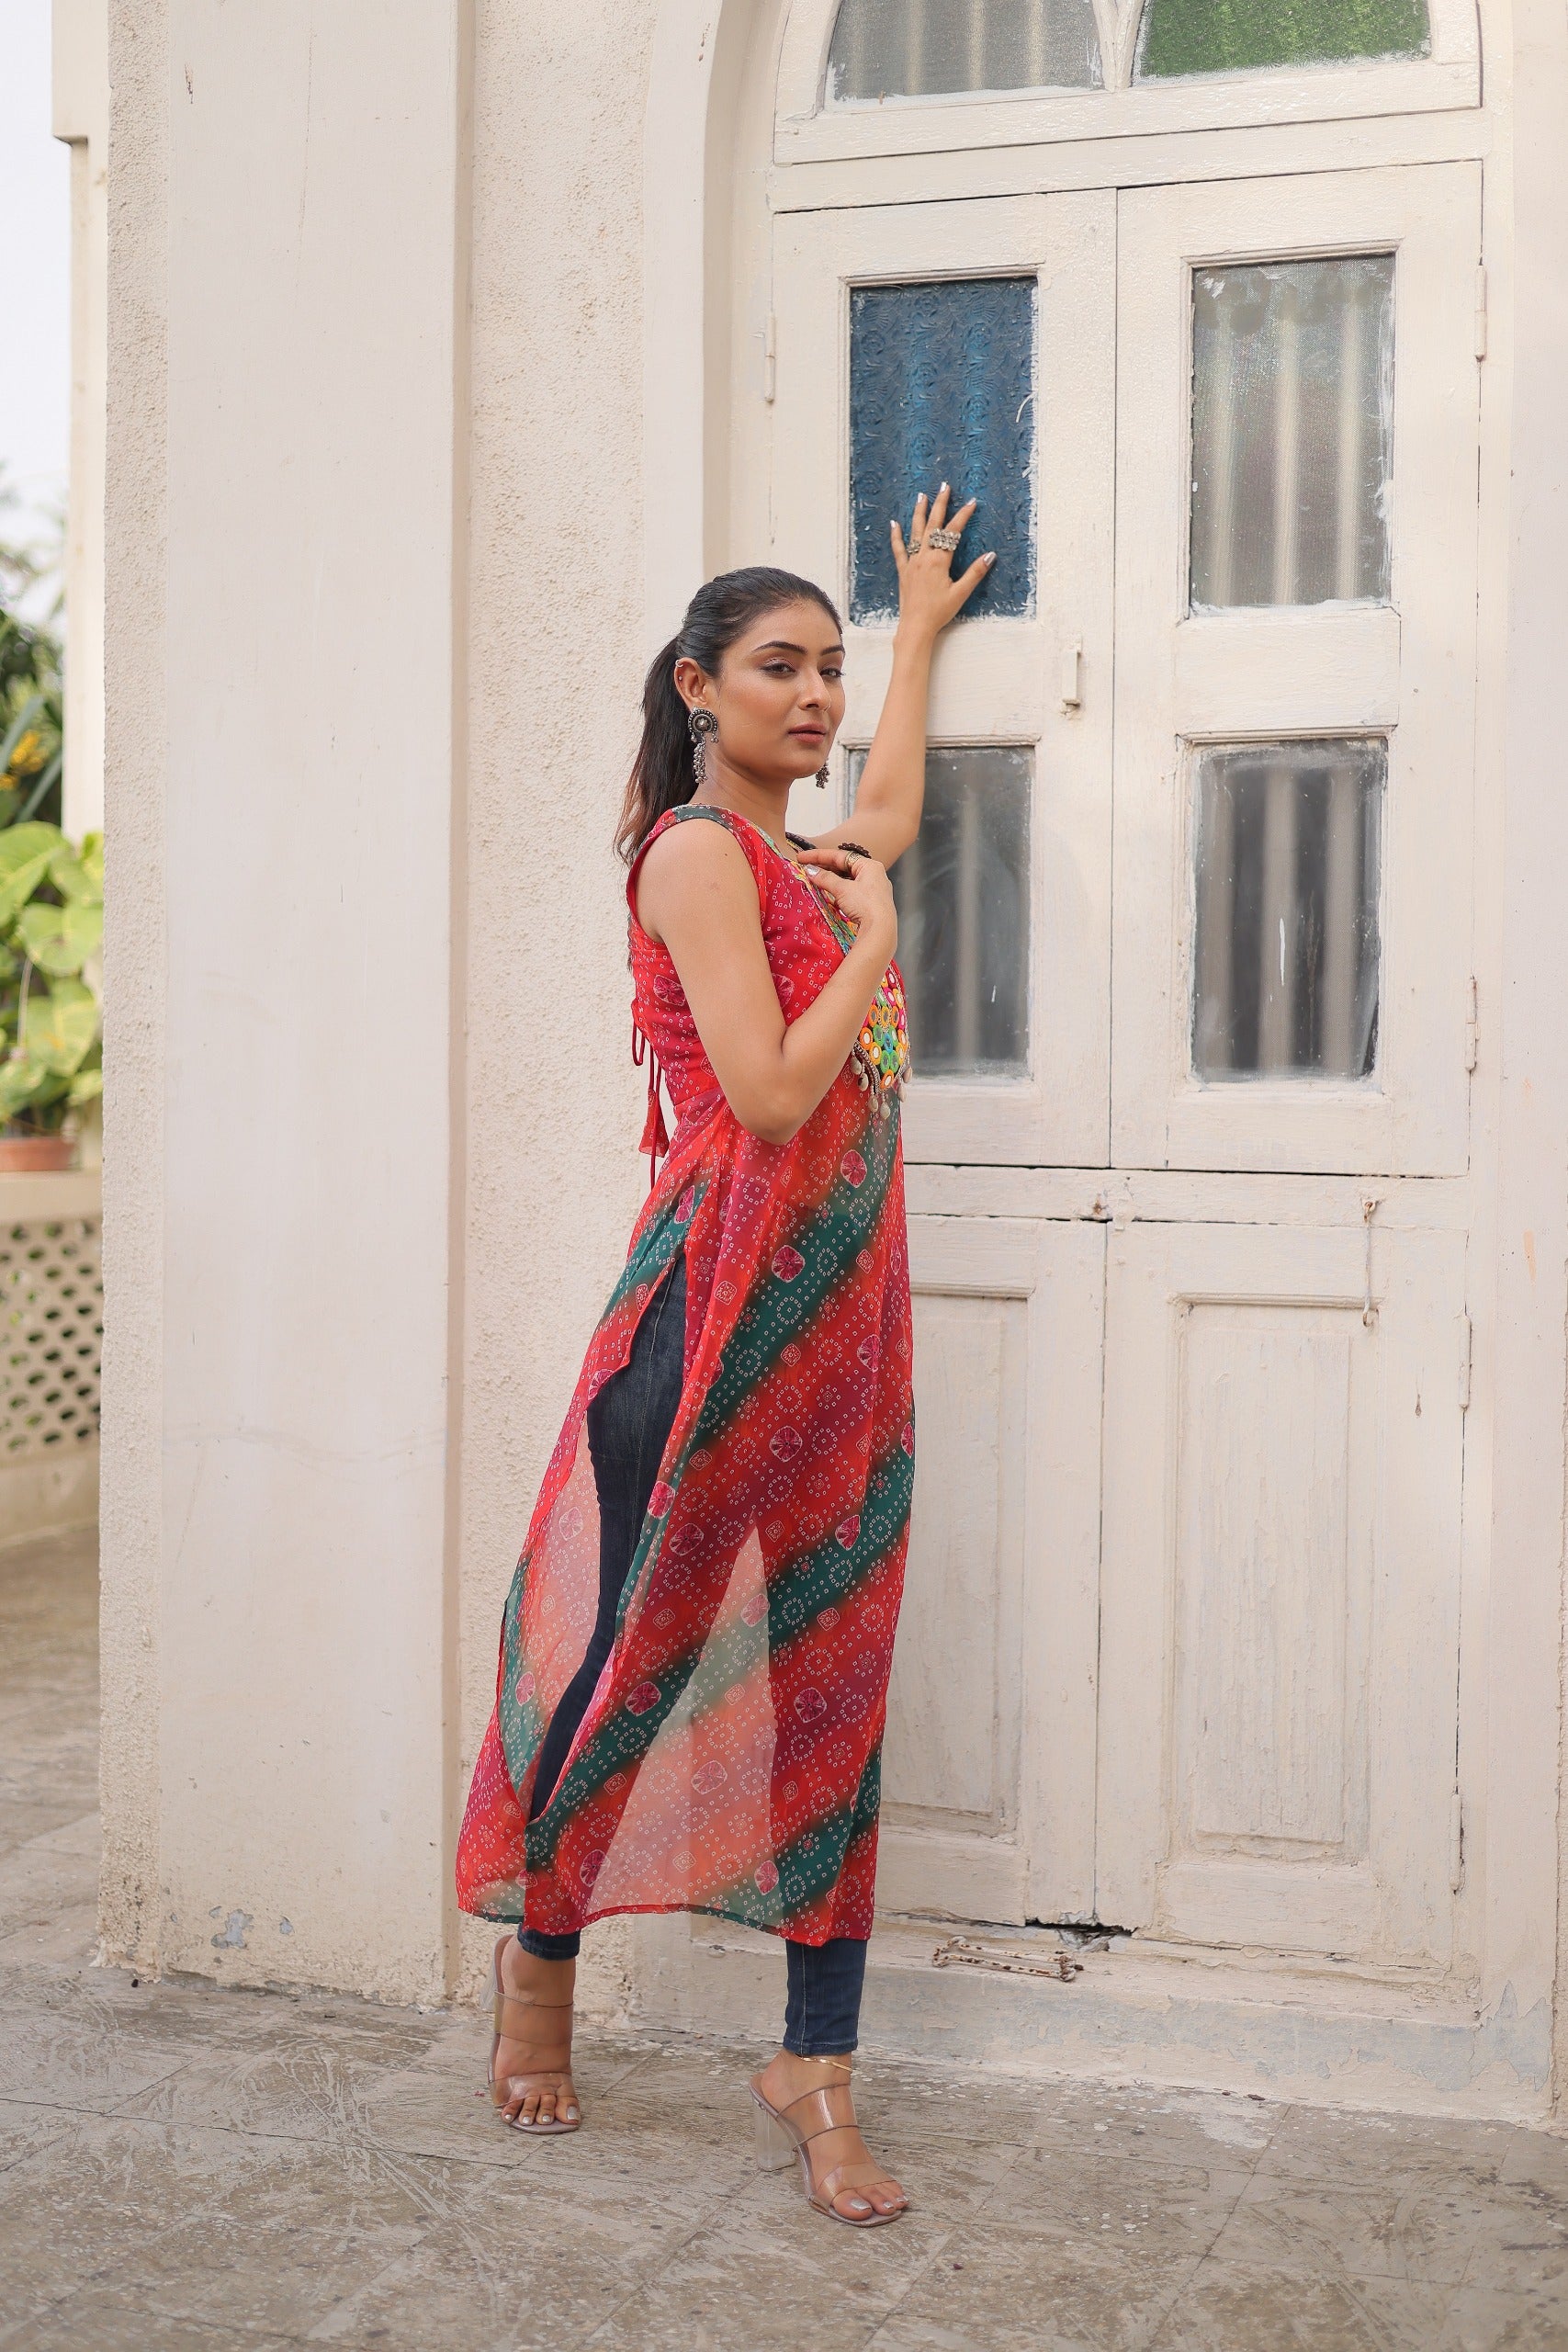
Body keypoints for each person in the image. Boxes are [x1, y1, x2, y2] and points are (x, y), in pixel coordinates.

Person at [457, 487, 993, 2227]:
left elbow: (885, 812)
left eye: (829, 667)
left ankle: (816, 2070)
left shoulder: (803, 853)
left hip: (835, 1317)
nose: (815, 696)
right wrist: (881, 948)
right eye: (781, 666)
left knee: (832, 1684)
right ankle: (541, 1970)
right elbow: (767, 1094)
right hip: (706, 1316)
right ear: (699, 686)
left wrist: (919, 636)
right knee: (638, 1653)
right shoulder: (695, 855)